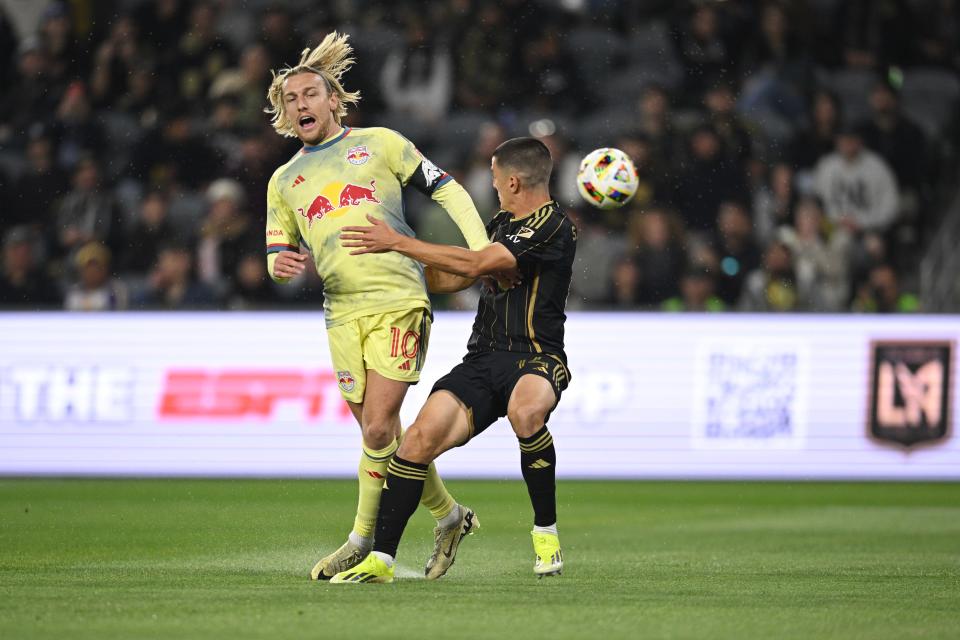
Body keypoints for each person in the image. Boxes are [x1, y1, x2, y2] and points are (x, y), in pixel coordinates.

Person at [262, 32, 491, 581]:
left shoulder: (381, 143)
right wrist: (280, 266)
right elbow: (276, 251)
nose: (302, 105)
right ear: (284, 113)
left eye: (310, 95)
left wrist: (480, 252)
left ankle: (361, 539)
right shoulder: (283, 180)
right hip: (340, 311)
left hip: (398, 299)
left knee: (377, 427)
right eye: (291, 100)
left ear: (334, 100)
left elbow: (448, 189)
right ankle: (450, 515)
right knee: (383, 436)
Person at [331, 137, 577, 584]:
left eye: (497, 179)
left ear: (514, 180)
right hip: (483, 358)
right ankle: (381, 561)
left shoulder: (553, 224)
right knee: (415, 443)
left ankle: (546, 533)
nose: (495, 187)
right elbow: (458, 273)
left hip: (536, 357)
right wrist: (388, 268)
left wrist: (400, 243)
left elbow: (476, 261)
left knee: (526, 412)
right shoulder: (501, 222)